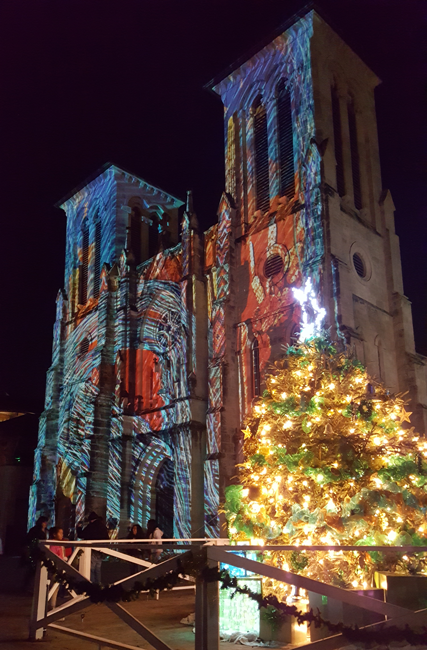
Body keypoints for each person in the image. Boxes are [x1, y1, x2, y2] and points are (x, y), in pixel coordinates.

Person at [76, 511, 109, 584]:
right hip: (101, 550)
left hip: (92, 549)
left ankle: (92, 584)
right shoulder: (103, 526)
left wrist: (79, 528)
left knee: (91, 568)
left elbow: (81, 535)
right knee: (98, 569)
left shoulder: (91, 526)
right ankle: (98, 584)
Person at [48, 527, 66, 610]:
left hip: (59, 568)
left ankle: (53, 606)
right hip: (55, 568)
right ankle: (52, 607)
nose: (62, 535)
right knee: (54, 587)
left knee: (56, 587)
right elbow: (53, 556)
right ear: (54, 534)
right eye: (60, 533)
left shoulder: (59, 544)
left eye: (62, 533)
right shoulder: (53, 544)